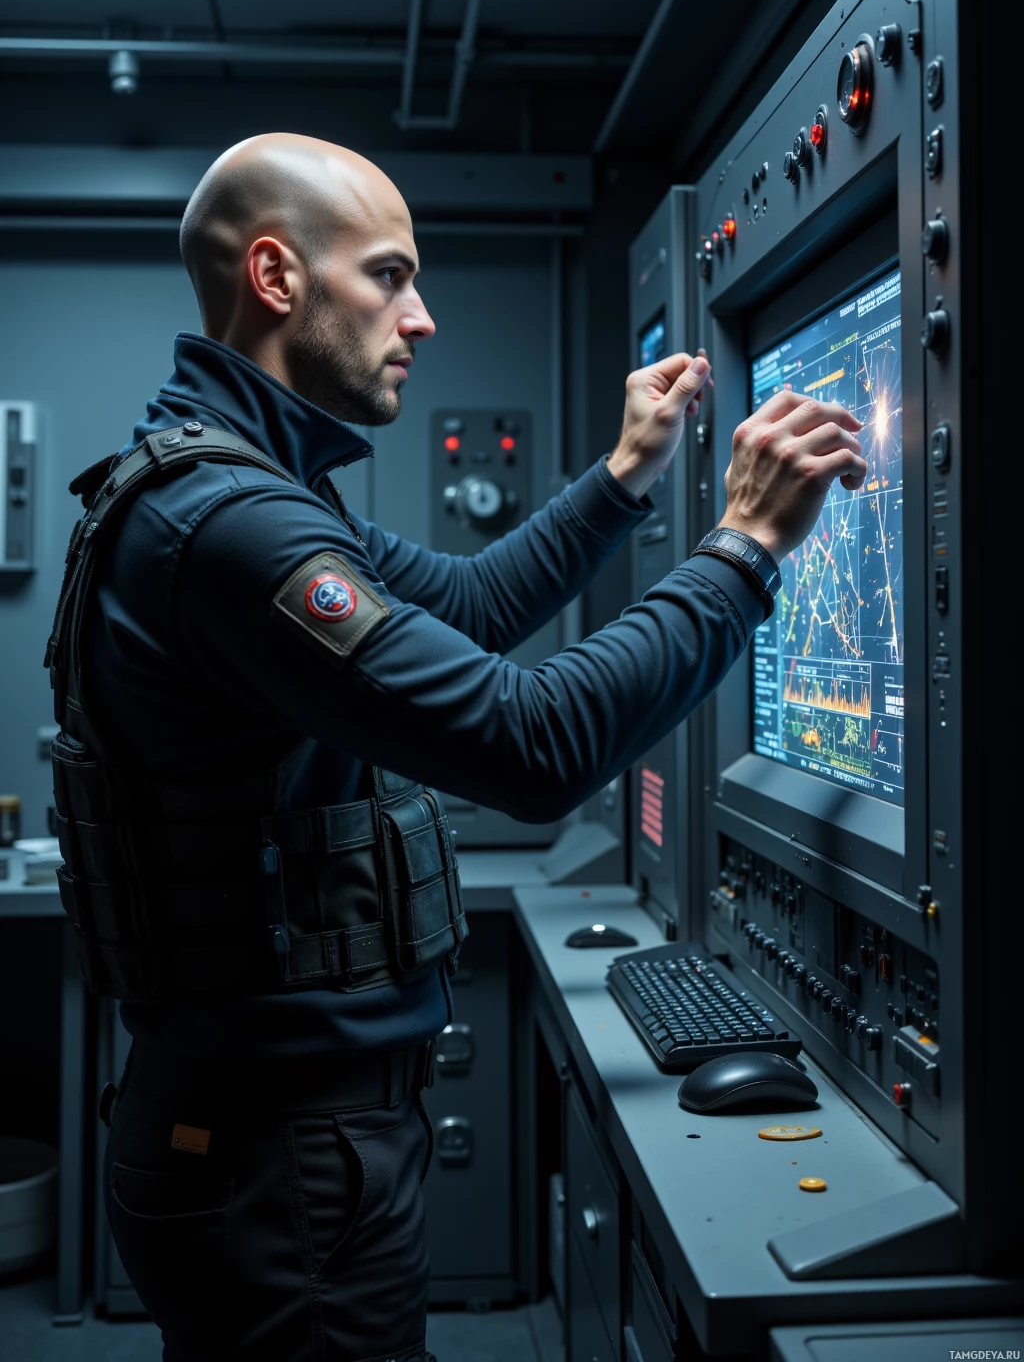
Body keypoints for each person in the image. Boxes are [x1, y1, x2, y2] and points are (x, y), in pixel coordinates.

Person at [54, 133, 866, 1362]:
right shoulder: (229, 526)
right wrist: (743, 550)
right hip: (282, 1157)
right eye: (389, 276)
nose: (420, 317)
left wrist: (627, 472)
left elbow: (469, 608)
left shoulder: (249, 489)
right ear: (277, 279)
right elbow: (526, 744)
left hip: (271, 1137)